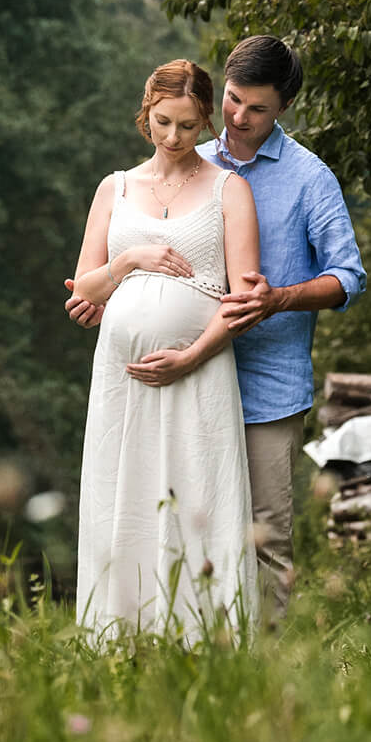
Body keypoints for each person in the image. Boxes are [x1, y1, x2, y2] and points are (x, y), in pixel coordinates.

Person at [67, 36, 364, 616]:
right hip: (156, 381)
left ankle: (256, 673)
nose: (239, 118)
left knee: (262, 535)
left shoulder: (307, 178)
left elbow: (347, 277)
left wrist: (278, 298)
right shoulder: (178, 160)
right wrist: (116, 285)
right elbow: (101, 269)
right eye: (232, 102)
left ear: (281, 109)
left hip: (263, 382)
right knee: (160, 520)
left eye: (257, 109)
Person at [67, 59, 260, 641]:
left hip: (198, 371)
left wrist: (193, 355)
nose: (174, 138)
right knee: (123, 493)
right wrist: (131, 260)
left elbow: (245, 297)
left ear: (206, 121)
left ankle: (208, 638)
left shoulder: (231, 189)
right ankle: (119, 633)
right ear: (145, 114)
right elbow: (84, 288)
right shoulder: (116, 188)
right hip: (122, 377)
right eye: (162, 122)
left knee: (198, 490)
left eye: (189, 125)